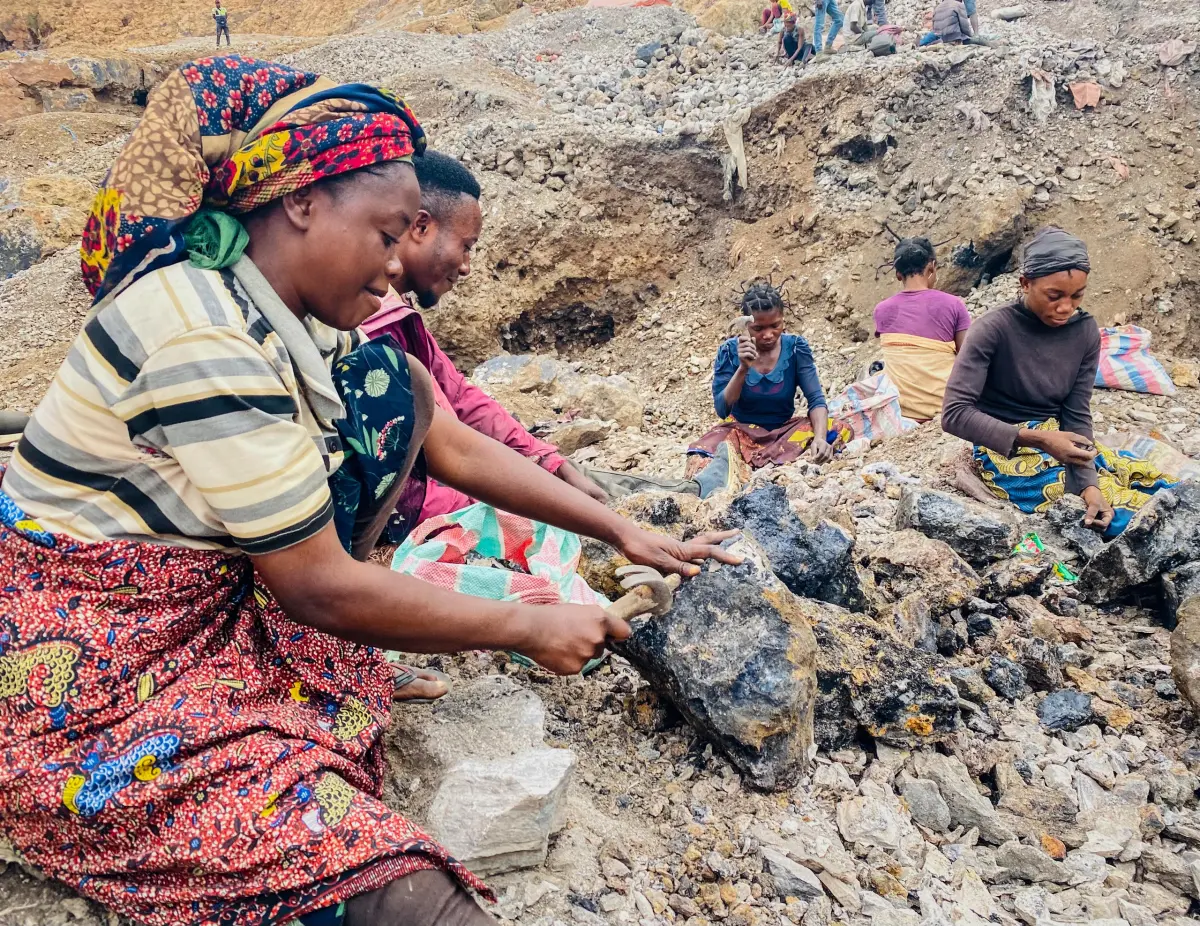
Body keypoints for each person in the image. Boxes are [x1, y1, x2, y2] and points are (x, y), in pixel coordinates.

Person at [0, 54, 738, 926]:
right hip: (96, 665)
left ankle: (288, 677)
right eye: (388, 235)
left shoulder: (275, 311)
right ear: (303, 201)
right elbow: (314, 583)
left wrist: (618, 531)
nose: (396, 266)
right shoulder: (201, 335)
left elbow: (447, 440)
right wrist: (526, 623)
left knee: (397, 387)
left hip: (197, 602)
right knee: (387, 882)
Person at [360, 152, 608, 523]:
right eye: (466, 246)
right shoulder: (369, 324)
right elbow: (448, 460)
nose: (466, 267)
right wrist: (532, 507)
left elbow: (459, 395)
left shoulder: (401, 315)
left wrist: (549, 462)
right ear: (421, 227)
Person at [942, 227, 1177, 537]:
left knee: (1166, 490)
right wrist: (1040, 441)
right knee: (1120, 515)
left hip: (1062, 440)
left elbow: (1076, 414)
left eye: (1076, 296)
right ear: (1025, 283)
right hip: (1006, 453)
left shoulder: (1084, 332)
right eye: (1054, 296)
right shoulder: (992, 330)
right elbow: (954, 413)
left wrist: (1087, 483)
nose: (1066, 307)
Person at [687, 279, 847, 478]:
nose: (769, 335)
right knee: (701, 456)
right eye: (758, 329)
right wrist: (743, 368)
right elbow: (722, 409)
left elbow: (816, 400)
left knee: (836, 429)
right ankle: (774, 462)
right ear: (746, 326)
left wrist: (820, 439)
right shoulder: (729, 351)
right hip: (741, 431)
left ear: (783, 320)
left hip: (783, 431)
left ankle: (764, 464)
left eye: (775, 325)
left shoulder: (796, 348)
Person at [872, 237, 971, 421]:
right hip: (945, 406)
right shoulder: (954, 304)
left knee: (875, 369)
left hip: (901, 411)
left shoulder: (881, 310)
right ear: (932, 268)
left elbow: (903, 358)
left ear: (898, 275)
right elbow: (968, 359)